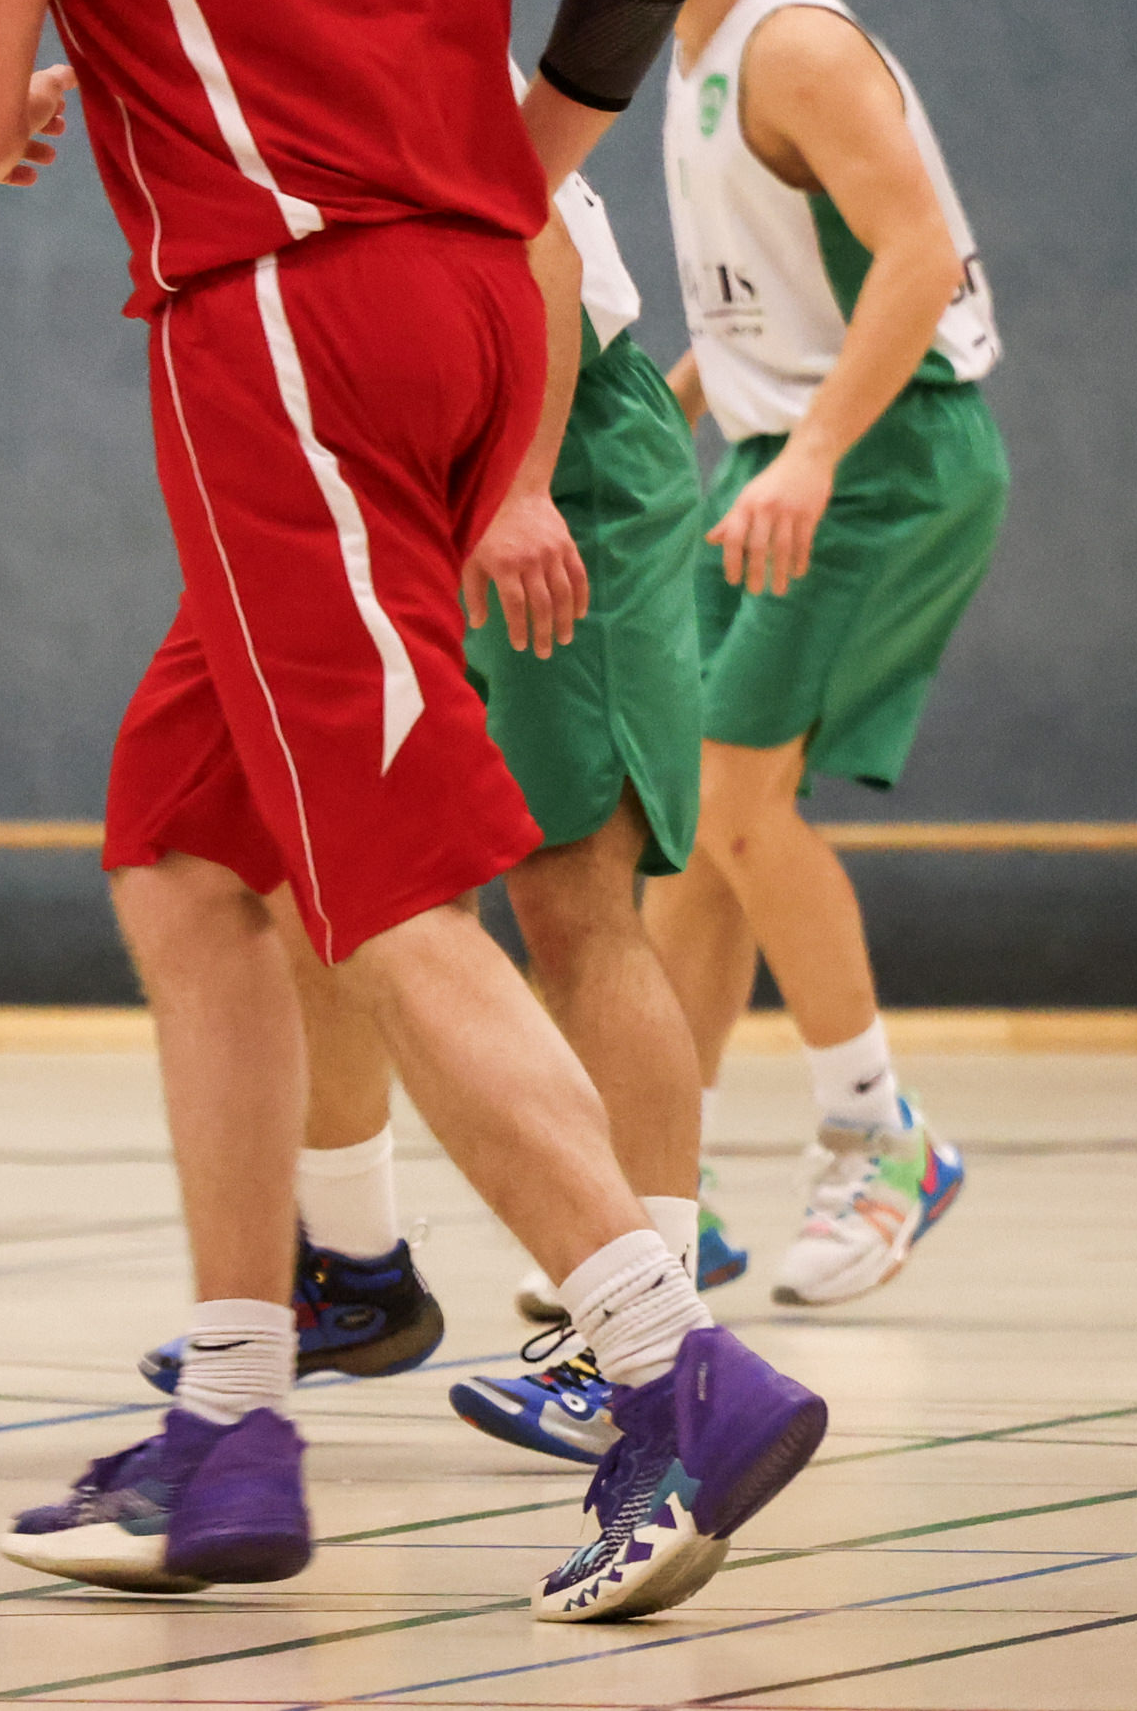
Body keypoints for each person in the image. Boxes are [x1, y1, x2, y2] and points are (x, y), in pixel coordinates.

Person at [0, 0, 821, 1626]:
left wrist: (14, 105)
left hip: (286, 326)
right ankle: (232, 1418)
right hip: (479, 300)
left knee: (386, 878)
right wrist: (507, 161)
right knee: (186, 851)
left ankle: (672, 1363)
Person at [176, 132, 738, 1470]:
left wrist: (524, 481)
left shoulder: (402, 47)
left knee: (574, 898)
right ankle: (356, 1264)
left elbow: (537, 238)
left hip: (552, 448)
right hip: (397, 454)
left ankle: (657, 1347)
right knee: (335, 865)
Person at [627, 0, 1002, 1311]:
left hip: (885, 450)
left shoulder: (794, 45)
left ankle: (880, 1136)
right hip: (777, 453)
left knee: (733, 801)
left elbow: (916, 258)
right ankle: (667, 1197)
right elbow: (759, 306)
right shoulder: (683, 50)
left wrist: (813, 450)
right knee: (690, 832)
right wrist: (667, 419)